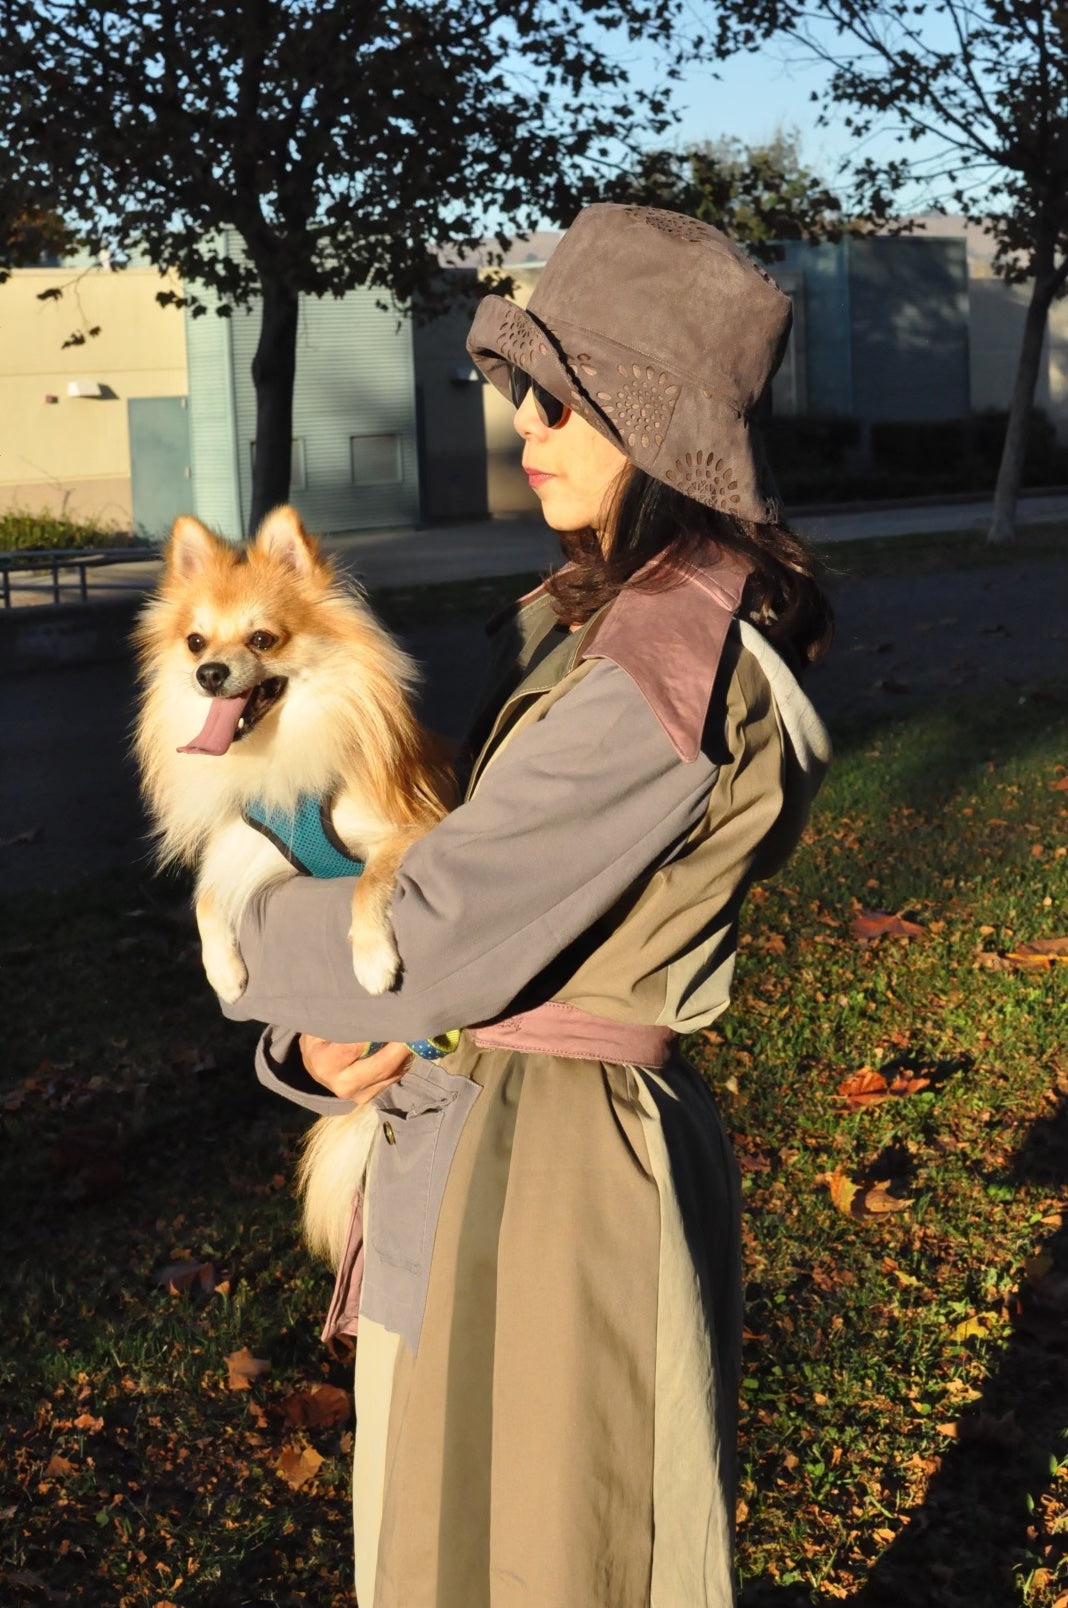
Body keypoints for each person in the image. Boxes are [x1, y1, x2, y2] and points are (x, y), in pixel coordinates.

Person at [222, 202, 833, 1608]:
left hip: (560, 1179)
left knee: (564, 1550)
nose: (523, 430)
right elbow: (441, 926)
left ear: (655, 428)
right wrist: (315, 1037)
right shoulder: (599, 628)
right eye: (519, 396)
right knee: (457, 1539)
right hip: (486, 1138)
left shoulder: (665, 666)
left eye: (559, 402)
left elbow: (431, 935)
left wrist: (248, 934)